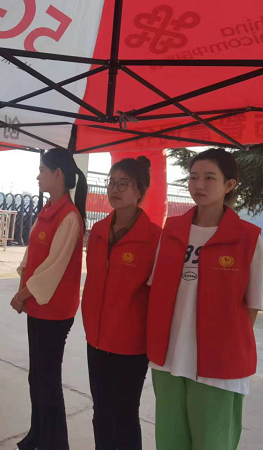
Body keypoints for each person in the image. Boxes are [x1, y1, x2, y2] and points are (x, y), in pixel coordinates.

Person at [147, 148, 263, 450]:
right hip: (168, 356)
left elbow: (252, 307)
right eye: (193, 177)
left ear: (229, 185)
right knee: (170, 440)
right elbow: (156, 289)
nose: (198, 185)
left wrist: (221, 345)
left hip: (219, 363)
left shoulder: (248, 237)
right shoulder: (172, 230)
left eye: (209, 178)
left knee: (212, 441)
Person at [81, 157, 161, 450]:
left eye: (123, 184)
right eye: (111, 183)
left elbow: (158, 294)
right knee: (101, 412)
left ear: (140, 191)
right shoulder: (99, 231)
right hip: (96, 338)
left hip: (131, 344)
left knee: (124, 414)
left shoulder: (154, 238)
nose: (114, 190)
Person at [10, 149, 86, 450]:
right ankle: (38, 434)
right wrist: (23, 292)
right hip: (38, 306)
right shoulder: (48, 210)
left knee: (48, 379)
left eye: (42, 170)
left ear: (58, 174)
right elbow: (31, 256)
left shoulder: (70, 216)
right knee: (37, 377)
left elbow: (53, 268)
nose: (38, 176)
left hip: (55, 311)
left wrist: (22, 294)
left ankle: (55, 443)